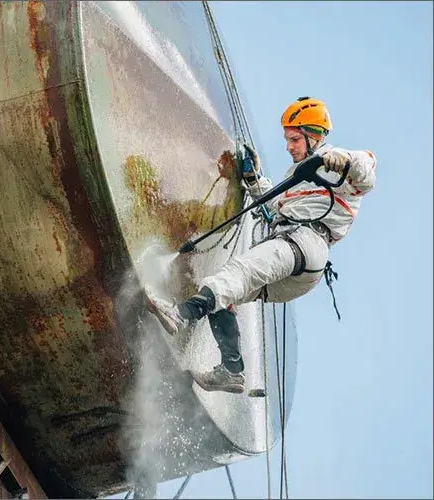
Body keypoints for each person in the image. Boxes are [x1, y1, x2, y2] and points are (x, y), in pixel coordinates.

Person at [145, 97, 376, 394]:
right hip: (297, 266)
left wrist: (345, 161)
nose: (289, 147)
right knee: (222, 290)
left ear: (314, 135)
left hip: (305, 244)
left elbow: (367, 171)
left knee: (236, 273)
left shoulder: (335, 163)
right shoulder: (297, 176)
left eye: (294, 139)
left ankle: (178, 314)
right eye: (286, 140)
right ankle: (232, 371)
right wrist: (253, 179)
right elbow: (274, 205)